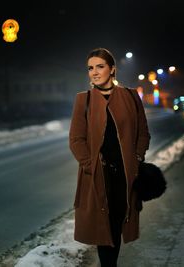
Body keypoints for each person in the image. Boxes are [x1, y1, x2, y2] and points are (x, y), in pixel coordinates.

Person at [69, 47, 151, 267]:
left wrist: (137, 157)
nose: (94, 72)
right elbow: (76, 139)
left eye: (100, 66)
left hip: (124, 175)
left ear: (112, 69)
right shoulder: (83, 100)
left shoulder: (131, 97)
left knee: (116, 224)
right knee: (102, 228)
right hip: (97, 175)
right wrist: (90, 165)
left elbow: (143, 133)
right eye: (90, 68)